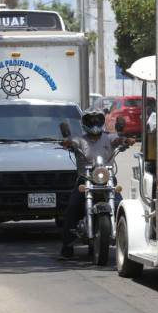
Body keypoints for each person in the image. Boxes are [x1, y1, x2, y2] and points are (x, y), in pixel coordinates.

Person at [58, 109, 133, 259]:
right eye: (90, 121)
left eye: (97, 120)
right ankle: (67, 246)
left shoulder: (109, 138)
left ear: (102, 121)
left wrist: (124, 141)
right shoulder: (80, 139)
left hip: (107, 177)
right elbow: (72, 142)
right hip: (84, 179)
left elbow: (117, 140)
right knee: (72, 208)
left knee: (121, 206)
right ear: (84, 123)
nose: (94, 124)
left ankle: (127, 244)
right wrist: (68, 143)